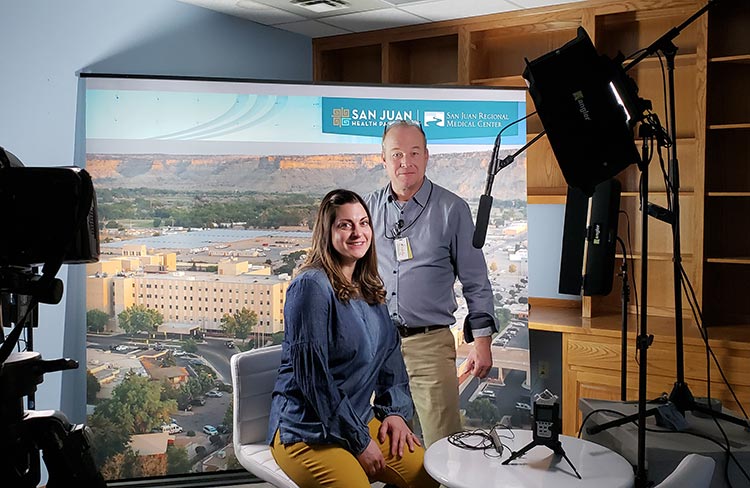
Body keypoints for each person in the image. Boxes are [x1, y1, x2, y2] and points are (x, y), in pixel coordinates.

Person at [267, 189, 438, 488]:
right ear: (327, 232)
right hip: (307, 429)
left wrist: (395, 412)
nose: (357, 232)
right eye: (345, 225)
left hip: (356, 419)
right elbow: (314, 379)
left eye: (363, 223)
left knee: (427, 476)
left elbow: (391, 359)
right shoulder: (310, 287)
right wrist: (359, 442)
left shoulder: (369, 286)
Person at [364, 119, 497, 448]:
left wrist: (482, 343)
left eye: (413, 153)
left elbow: (476, 281)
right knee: (384, 444)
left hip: (429, 347)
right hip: (375, 345)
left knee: (444, 444)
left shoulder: (452, 209)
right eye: (396, 154)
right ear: (383, 159)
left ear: (426, 156)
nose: (405, 162)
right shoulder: (365, 208)